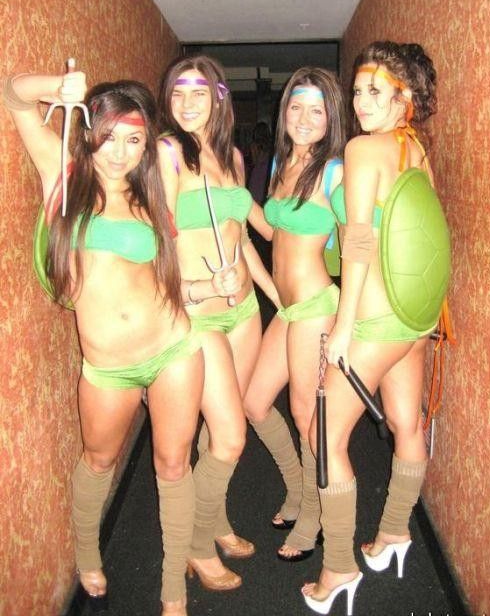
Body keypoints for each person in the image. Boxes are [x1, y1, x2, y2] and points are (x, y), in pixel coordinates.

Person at [2, 69, 238, 616]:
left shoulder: (148, 195)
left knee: (173, 466)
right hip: (108, 366)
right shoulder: (63, 175)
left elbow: (163, 284)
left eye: (134, 140)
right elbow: (12, 96)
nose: (120, 152)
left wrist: (209, 287)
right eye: (109, 137)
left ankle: (173, 592)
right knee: (99, 459)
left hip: (173, 349)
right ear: (89, 132)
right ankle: (88, 553)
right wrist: (58, 88)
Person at [302, 41, 442, 614]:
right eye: (358, 90)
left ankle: (338, 567)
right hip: (415, 315)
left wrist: (343, 326)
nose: (360, 101)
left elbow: (358, 240)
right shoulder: (416, 150)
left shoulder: (364, 149)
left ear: (404, 98)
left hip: (377, 317)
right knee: (408, 423)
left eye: (374, 92)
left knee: (324, 436)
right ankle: (394, 534)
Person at [158, 55, 279, 591]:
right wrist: (202, 288)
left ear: (219, 98)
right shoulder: (166, 154)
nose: (187, 103)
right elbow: (159, 246)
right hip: (199, 315)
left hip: (244, 311)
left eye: (199, 92)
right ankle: (196, 544)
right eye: (177, 92)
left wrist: (277, 298)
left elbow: (244, 237)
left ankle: (215, 518)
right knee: (230, 438)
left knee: (216, 435)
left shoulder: (230, 155)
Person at [245, 67, 346, 561]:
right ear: (284, 110)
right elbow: (273, 231)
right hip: (287, 308)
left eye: (316, 110)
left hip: (316, 307)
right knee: (255, 402)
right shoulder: (282, 163)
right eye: (296, 107)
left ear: (331, 118)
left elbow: (362, 240)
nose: (304, 118)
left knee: (307, 414)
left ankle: (314, 516)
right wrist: (237, 199)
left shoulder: (335, 171)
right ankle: (297, 487)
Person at [246, 120, 272, 204]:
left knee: (254, 197)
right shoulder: (271, 145)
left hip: (258, 171)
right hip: (267, 171)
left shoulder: (254, 145)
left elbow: (254, 161)